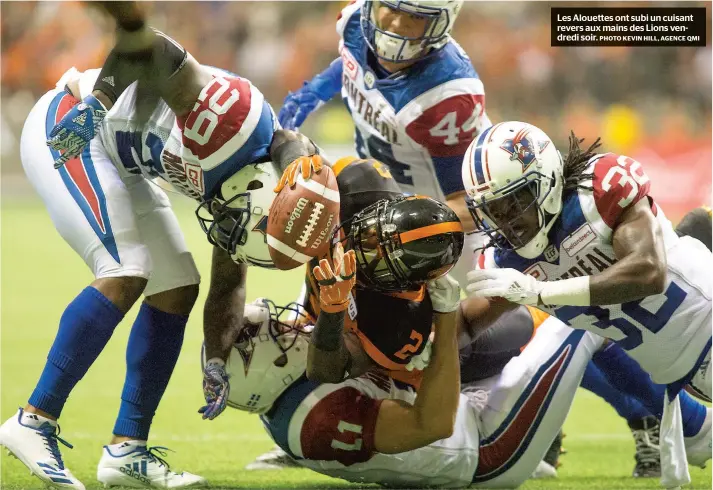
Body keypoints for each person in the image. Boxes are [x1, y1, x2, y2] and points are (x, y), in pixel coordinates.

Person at [0, 5, 320, 488]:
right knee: (127, 267)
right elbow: (144, 41)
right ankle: (33, 420)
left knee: (178, 286)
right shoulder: (230, 119)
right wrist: (100, 100)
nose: (232, 234)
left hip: (122, 162)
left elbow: (226, 284)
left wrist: (216, 357)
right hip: (72, 128)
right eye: (241, 226)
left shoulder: (253, 197)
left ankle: (128, 449)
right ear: (257, 195)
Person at [461, 121, 712, 487]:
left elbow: (648, 272)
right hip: (685, 372)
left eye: (514, 202)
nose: (507, 222)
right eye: (494, 210)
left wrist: (542, 292)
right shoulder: (508, 261)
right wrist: (421, 343)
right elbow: (468, 324)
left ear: (545, 181)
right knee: (572, 331)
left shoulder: (595, 193)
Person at [278, 0, 490, 288]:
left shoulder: (445, 94)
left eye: (415, 16)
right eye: (391, 7)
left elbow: (472, 204)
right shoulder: (355, 22)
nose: (398, 23)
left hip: (446, 223)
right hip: (383, 203)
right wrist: (316, 90)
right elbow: (352, 63)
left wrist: (405, 226)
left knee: (481, 306)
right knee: (329, 290)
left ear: (441, 23)